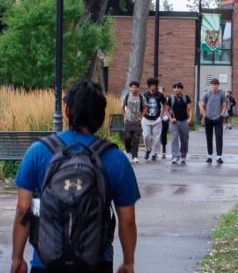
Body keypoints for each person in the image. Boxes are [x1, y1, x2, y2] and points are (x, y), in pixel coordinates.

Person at [10, 80, 140, 273]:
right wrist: (128, 262)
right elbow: (127, 220)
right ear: (101, 116)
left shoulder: (38, 152)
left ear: (67, 111)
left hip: (46, 262)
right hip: (96, 263)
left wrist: (17, 258)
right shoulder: (115, 157)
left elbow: (23, 210)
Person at [200, 78, 227, 164]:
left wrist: (221, 115)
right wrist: (205, 116)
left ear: (218, 85)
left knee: (219, 137)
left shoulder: (221, 94)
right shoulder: (206, 94)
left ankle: (219, 157)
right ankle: (210, 156)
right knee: (209, 137)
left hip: (218, 119)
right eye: (212, 84)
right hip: (208, 119)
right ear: (210, 85)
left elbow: (224, 105)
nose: (214, 86)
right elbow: (202, 105)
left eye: (215, 84)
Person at [165, 82, 192, 165]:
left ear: (181, 89)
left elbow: (190, 109)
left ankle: (183, 156)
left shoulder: (186, 97)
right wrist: (170, 118)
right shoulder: (171, 98)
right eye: (175, 88)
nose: (176, 89)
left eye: (178, 88)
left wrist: (190, 118)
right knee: (174, 138)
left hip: (184, 121)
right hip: (174, 122)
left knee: (184, 140)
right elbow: (167, 110)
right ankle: (175, 157)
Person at [141, 77, 166, 161]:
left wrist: (161, 115)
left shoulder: (160, 95)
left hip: (157, 119)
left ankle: (154, 154)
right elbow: (141, 106)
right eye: (151, 85)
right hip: (146, 119)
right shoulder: (145, 95)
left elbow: (165, 105)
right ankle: (148, 149)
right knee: (146, 136)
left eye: (154, 85)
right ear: (148, 86)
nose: (153, 87)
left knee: (156, 137)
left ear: (156, 86)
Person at [122, 81, 146, 164]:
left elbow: (145, 107)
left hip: (137, 121)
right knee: (127, 137)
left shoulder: (141, 97)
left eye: (135, 87)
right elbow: (122, 107)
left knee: (136, 139)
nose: (134, 89)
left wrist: (141, 117)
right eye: (132, 87)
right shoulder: (127, 96)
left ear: (138, 88)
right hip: (128, 121)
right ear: (130, 88)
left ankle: (135, 156)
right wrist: (125, 116)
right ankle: (128, 149)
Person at [159, 86, 169, 159]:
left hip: (164, 119)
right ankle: (153, 151)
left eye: (161, 91)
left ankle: (163, 150)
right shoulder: (154, 99)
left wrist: (166, 117)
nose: (160, 92)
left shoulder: (166, 99)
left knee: (163, 134)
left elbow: (167, 109)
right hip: (155, 119)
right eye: (159, 90)